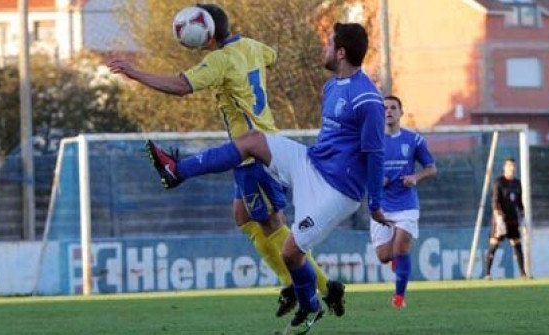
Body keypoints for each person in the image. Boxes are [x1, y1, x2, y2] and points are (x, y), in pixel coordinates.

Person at [145, 22, 390, 331]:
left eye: (329, 43)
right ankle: (176, 171)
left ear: (341, 53)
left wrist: (376, 204)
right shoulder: (332, 86)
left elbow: (375, 153)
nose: (323, 47)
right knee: (251, 140)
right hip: (310, 162)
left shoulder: (367, 99)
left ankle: (310, 307)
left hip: (337, 191)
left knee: (291, 253)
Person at [106, 3, 339, 317]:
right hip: (260, 145)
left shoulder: (219, 60)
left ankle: (321, 288)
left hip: (252, 153)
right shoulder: (250, 47)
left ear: (205, 32)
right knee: (244, 217)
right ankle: (294, 283)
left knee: (272, 224)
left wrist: (134, 72)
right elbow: (273, 56)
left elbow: (179, 86)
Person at [372, 96, 436, 309]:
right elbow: (358, 170)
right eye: (385, 108)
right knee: (383, 256)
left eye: (393, 108)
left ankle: (399, 297)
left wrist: (415, 178)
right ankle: (395, 261)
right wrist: (375, 180)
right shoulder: (372, 141)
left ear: (401, 112)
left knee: (401, 248)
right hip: (381, 205)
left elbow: (431, 168)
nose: (388, 111)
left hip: (407, 204)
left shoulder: (413, 140)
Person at [484, 158, 530, 280]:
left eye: (514, 166)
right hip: (500, 219)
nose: (512, 168)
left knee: (517, 244)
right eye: (510, 166)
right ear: (504, 167)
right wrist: (498, 218)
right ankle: (487, 274)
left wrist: (523, 218)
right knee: (494, 244)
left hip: (512, 219)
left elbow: (519, 202)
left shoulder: (517, 183)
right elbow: (495, 201)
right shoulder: (499, 182)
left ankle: (523, 274)